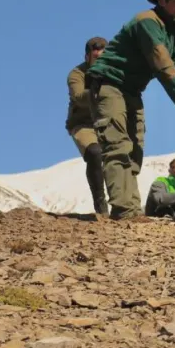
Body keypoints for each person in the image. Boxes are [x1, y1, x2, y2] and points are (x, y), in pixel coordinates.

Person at [86, 0, 175, 220]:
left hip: (133, 91)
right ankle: (125, 210)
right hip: (110, 83)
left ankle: (131, 209)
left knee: (135, 147)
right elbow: (164, 65)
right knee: (117, 145)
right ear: (161, 1)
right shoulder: (147, 22)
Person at [65, 36, 110, 215]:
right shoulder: (77, 74)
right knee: (94, 152)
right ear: (87, 57)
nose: (99, 58)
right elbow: (78, 97)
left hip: (109, 122)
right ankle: (100, 205)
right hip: (84, 123)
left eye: (103, 55)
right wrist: (101, 92)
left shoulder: (114, 71)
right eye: (95, 55)